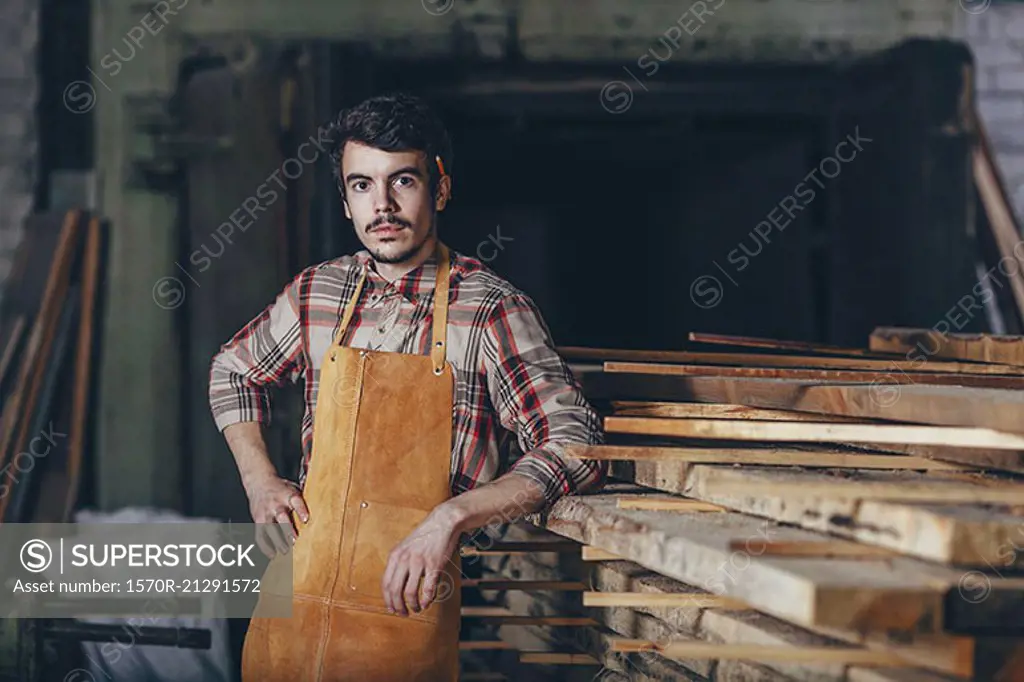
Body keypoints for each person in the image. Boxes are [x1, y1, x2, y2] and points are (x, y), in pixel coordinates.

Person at [207, 92, 606, 681]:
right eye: (362, 185)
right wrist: (259, 480)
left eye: (403, 182)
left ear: (439, 189)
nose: (383, 205)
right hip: (296, 597)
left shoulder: (489, 310)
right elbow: (233, 370)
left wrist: (451, 519)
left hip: (411, 609)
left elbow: (575, 442)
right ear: (345, 201)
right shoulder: (317, 295)